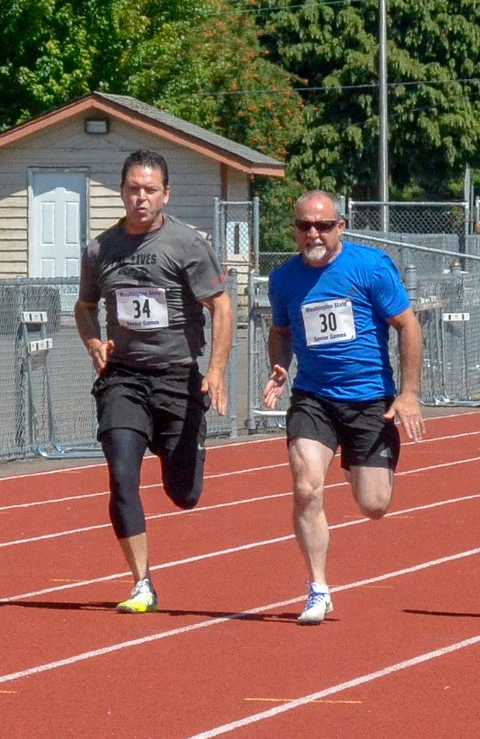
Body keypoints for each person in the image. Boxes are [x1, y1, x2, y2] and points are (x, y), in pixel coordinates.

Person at [75, 152, 234, 614]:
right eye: (132, 189)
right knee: (122, 476)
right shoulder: (100, 250)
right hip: (123, 377)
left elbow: (221, 306)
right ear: (121, 192)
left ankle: (185, 446)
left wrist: (216, 371)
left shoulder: (186, 243)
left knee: (183, 494)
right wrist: (93, 342)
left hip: (177, 379)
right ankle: (142, 581)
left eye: (149, 190)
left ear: (166, 193)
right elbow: (85, 308)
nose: (140, 198)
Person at [263, 191, 427, 626]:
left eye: (322, 225)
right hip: (313, 397)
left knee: (374, 505)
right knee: (306, 486)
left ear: (340, 227)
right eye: (304, 226)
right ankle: (318, 588)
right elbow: (280, 331)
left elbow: (408, 326)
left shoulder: (370, 267)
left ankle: (361, 462)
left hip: (369, 399)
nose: (312, 233)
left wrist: (408, 393)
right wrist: (278, 365)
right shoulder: (283, 279)